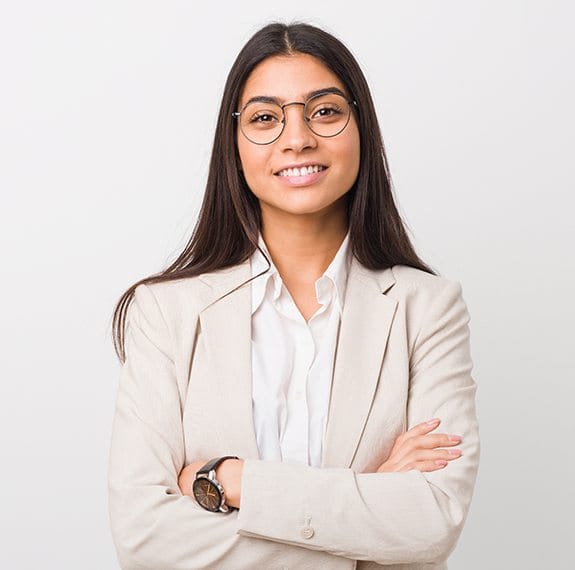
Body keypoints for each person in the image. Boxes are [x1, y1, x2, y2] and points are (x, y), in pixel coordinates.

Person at [108, 21, 480, 570]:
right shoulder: (167, 312)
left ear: (361, 128)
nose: (297, 137)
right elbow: (143, 538)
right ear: (233, 146)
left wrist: (234, 482)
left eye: (325, 111)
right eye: (264, 118)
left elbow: (431, 522)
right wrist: (366, 507)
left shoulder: (428, 308)